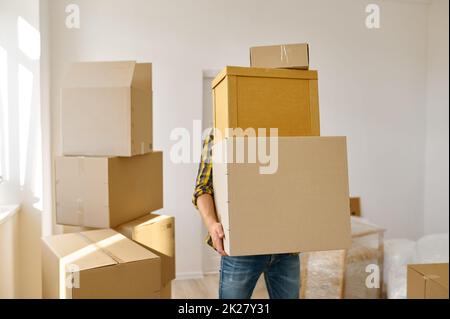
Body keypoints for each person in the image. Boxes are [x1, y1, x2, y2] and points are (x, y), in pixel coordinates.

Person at [192, 131, 300, 299]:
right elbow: (202, 189)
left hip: (287, 246)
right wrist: (212, 224)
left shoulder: (289, 127)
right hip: (241, 248)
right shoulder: (219, 134)